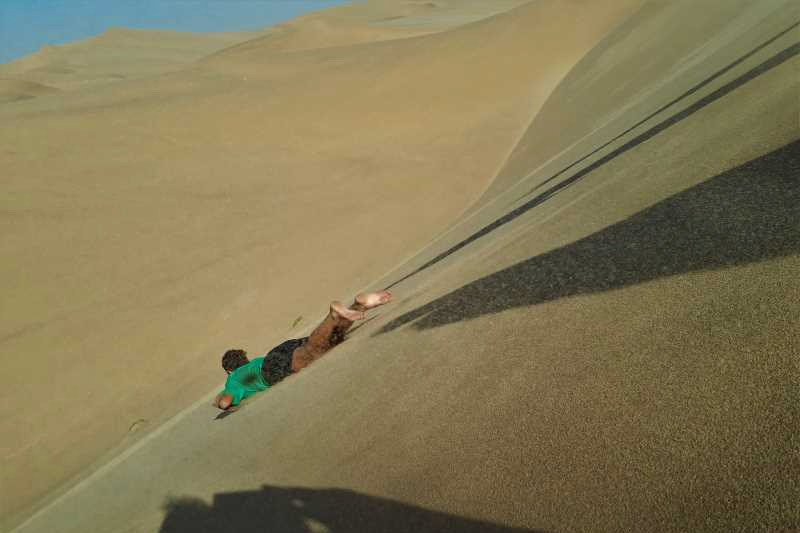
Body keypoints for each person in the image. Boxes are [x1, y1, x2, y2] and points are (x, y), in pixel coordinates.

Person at [214, 291, 392, 410]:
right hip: (277, 352)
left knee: (313, 350)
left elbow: (225, 401)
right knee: (329, 341)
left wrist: (221, 402)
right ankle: (359, 305)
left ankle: (335, 316)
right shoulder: (251, 364)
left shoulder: (234, 379)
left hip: (270, 369)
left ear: (229, 370)